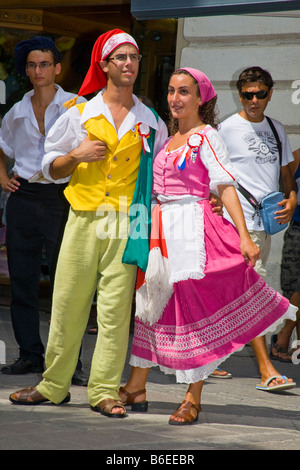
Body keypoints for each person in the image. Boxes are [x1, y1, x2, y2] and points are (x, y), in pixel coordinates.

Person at [118, 67, 297, 425]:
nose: (175, 98)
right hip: (162, 233)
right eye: (171, 91)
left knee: (194, 312)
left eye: (184, 91)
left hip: (195, 233)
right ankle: (136, 386)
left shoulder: (208, 136)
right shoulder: (167, 139)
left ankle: (192, 398)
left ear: (201, 99)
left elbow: (225, 186)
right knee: (153, 306)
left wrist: (244, 236)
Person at [8, 29, 169, 417]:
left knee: (114, 311)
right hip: (82, 217)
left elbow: (162, 177)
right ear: (105, 65)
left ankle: (103, 392)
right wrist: (77, 154)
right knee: (67, 303)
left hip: (127, 222)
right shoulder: (79, 114)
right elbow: (49, 169)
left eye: (134, 57)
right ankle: (54, 385)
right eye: (121, 57)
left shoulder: (150, 122)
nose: (129, 63)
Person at [0, 36, 87, 385]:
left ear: (57, 68)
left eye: (45, 64)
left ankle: (69, 363)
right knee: (22, 280)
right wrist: (2, 178)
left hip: (61, 197)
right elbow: (2, 147)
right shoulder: (16, 112)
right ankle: (29, 355)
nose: (39, 70)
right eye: (33, 65)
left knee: (67, 283)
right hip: (22, 196)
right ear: (27, 70)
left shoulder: (77, 106)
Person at [219, 66, 298, 389]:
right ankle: (267, 370)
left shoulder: (277, 129)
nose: (254, 100)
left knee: (233, 294)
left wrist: (292, 198)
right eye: (248, 94)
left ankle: (204, 357)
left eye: (260, 94)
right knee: (255, 293)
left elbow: (286, 174)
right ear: (240, 95)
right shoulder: (226, 128)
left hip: (265, 225)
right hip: (238, 225)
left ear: (270, 93)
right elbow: (215, 173)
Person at [271, 147, 300, 362]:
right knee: (291, 286)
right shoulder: (298, 156)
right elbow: (284, 187)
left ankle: (285, 334)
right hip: (297, 229)